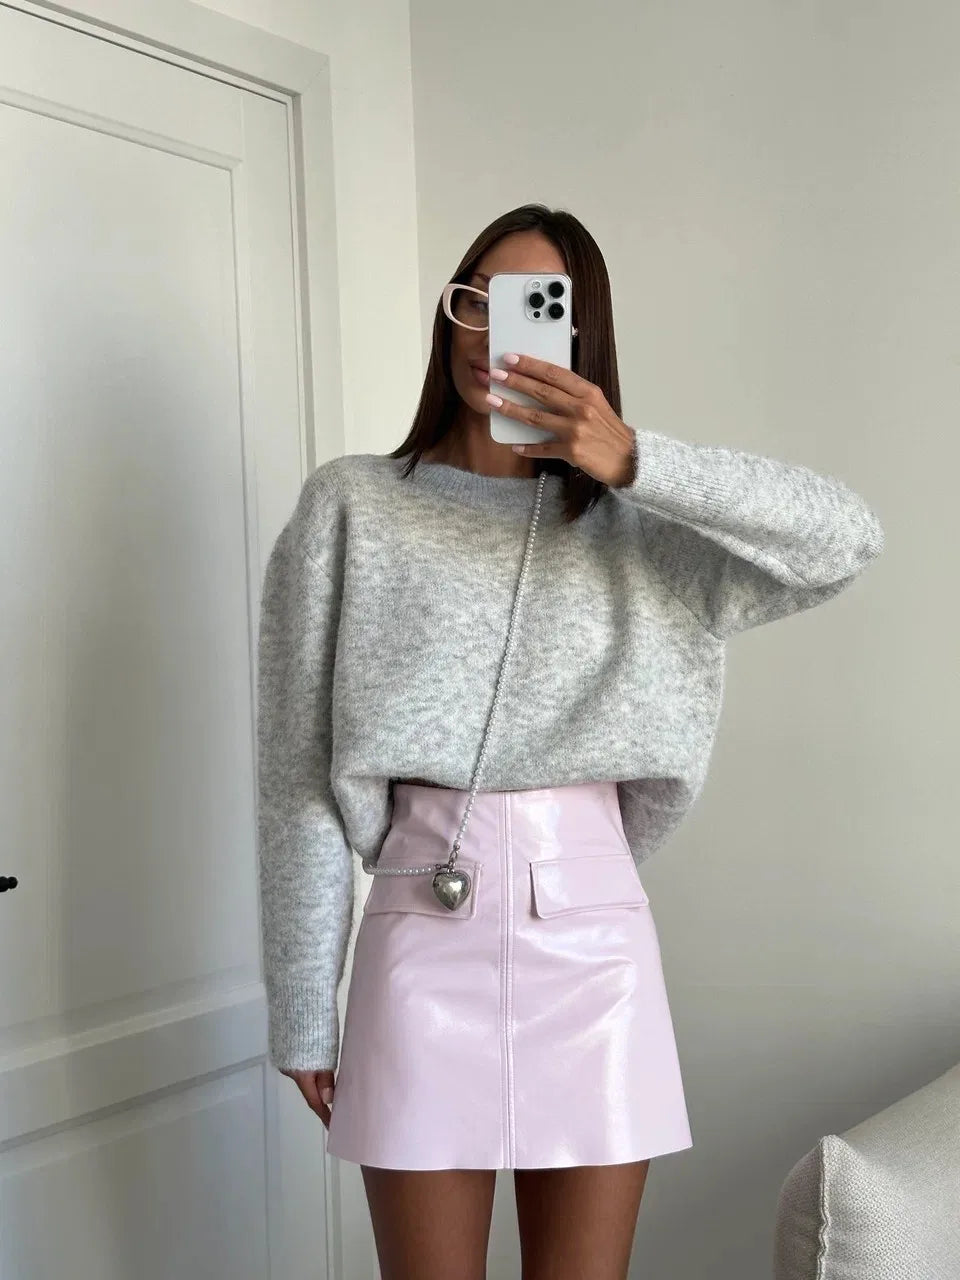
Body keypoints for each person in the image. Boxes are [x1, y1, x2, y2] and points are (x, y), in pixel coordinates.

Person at [255, 203, 885, 1280]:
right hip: (419, 932)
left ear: (578, 338)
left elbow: (846, 537)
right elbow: (295, 776)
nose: (489, 334)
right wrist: (305, 1007)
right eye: (474, 300)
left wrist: (635, 459)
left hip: (595, 951)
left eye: (528, 310)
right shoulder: (351, 506)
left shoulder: (644, 533)